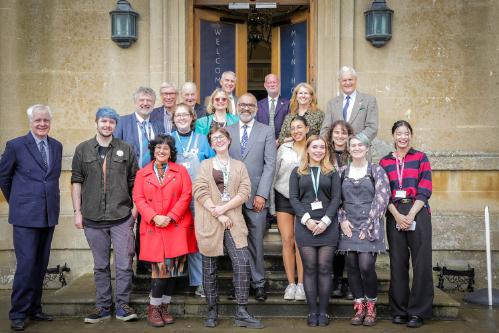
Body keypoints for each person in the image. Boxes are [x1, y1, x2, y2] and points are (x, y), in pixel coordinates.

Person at [71, 107, 139, 324]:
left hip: (121, 216)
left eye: (111, 122)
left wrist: (135, 209)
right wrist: (77, 212)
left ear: (115, 126)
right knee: (100, 265)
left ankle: (122, 305)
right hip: (92, 218)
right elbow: (76, 181)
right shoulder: (82, 150)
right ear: (96, 122)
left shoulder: (126, 149)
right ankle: (102, 307)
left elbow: (134, 182)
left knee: (124, 264)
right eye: (104, 121)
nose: (107, 125)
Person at [193, 127, 263, 329]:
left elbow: (245, 191)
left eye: (221, 137)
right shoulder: (205, 165)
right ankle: (212, 311)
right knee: (209, 269)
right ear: (211, 144)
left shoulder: (239, 166)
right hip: (209, 221)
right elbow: (199, 190)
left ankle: (241, 311)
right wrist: (217, 213)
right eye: (214, 138)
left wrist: (223, 209)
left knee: (242, 264)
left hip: (234, 221)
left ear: (228, 140)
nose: (218, 140)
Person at [0, 104, 62, 331]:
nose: (42, 124)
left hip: (48, 214)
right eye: (38, 120)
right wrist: (17, 201)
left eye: (46, 120)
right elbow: (3, 177)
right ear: (30, 122)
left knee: (40, 264)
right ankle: (18, 312)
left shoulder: (56, 145)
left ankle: (35, 308)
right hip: (25, 216)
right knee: (26, 264)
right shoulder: (16, 145)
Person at [133, 134, 197, 327]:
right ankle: (153, 308)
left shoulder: (181, 171)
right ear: (153, 150)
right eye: (158, 148)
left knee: (174, 273)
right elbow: (138, 198)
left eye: (166, 148)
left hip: (176, 226)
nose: (162, 151)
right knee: (160, 273)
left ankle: (164, 307)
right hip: (154, 227)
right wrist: (154, 217)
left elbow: (186, 195)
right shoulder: (142, 174)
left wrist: (171, 216)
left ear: (171, 152)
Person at [379, 120, 433, 328]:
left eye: (406, 133)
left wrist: (410, 215)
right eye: (399, 133)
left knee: (421, 263)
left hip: (417, 212)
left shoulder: (420, 158)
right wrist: (396, 214)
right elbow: (383, 192)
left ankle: (418, 312)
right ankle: (400, 310)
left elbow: (425, 188)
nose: (403, 137)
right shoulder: (384, 162)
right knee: (398, 263)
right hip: (394, 212)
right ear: (393, 136)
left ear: (411, 135)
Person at [226, 93, 277, 301]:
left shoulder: (266, 131)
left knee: (255, 242)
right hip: (232, 199)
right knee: (236, 244)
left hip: (256, 198)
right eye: (243, 105)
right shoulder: (227, 132)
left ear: (256, 108)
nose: (246, 108)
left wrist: (262, 194)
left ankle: (259, 284)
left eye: (250, 105)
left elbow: (270, 165)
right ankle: (240, 284)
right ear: (237, 107)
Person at [337, 133, 390, 326]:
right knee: (351, 266)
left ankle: (371, 306)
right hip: (348, 225)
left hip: (370, 224)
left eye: (361, 145)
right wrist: (342, 219)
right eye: (353, 145)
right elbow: (336, 199)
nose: (357, 148)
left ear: (367, 149)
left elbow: (382, 197)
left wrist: (368, 223)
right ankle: (359, 306)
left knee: (366, 265)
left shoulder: (376, 170)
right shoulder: (342, 171)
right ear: (349, 149)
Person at [289, 135, 341, 327]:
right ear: (308, 149)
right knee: (310, 269)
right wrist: (308, 220)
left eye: (322, 148)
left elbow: (336, 198)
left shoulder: (332, 172)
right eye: (315, 147)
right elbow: (293, 198)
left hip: (328, 225)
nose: (319, 151)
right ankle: (312, 311)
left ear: (326, 151)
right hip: (305, 225)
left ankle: (324, 312)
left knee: (325, 269)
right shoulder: (297, 172)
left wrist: (325, 221)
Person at [113, 86, 164, 275]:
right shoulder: (123, 122)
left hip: (153, 182)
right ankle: (127, 267)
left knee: (148, 221)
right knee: (127, 223)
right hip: (128, 181)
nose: (145, 103)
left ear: (153, 103)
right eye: (142, 100)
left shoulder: (158, 125)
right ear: (135, 102)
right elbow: (113, 150)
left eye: (149, 101)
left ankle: (145, 262)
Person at [171, 103, 214, 298]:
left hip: (198, 198)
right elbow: (148, 161)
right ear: (173, 119)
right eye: (178, 115)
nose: (181, 118)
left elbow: (213, 165)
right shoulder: (167, 139)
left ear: (192, 117)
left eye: (185, 115)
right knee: (174, 240)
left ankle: (199, 283)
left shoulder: (202, 140)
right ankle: (170, 283)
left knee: (198, 240)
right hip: (174, 200)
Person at [270, 115, 309, 301]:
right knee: (287, 240)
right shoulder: (283, 148)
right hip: (283, 196)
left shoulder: (313, 147)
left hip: (305, 200)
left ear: (307, 129)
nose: (296, 131)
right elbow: (273, 174)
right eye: (293, 128)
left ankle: (302, 285)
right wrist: (271, 203)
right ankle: (291, 284)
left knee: (301, 242)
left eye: (300, 127)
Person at [324, 120, 354, 299]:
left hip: (351, 205)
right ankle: (336, 280)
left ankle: (351, 282)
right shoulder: (326, 154)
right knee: (335, 247)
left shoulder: (355, 152)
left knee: (349, 246)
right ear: (331, 135)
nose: (340, 136)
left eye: (344, 133)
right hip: (331, 205)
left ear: (349, 135)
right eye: (337, 132)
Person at [320, 66, 378, 144]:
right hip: (336, 152)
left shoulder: (369, 100)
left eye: (350, 79)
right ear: (339, 82)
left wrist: (354, 142)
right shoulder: (332, 103)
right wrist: (327, 145)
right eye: (344, 80)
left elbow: (372, 128)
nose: (347, 83)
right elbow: (326, 129)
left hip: (360, 150)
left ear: (356, 80)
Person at [256, 73, 290, 142]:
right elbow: (255, 126)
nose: (272, 85)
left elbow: (290, 126)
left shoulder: (288, 104)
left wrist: (279, 141)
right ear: (265, 85)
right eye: (269, 82)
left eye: (274, 82)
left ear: (279, 84)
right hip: (262, 143)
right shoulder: (258, 105)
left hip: (282, 144)